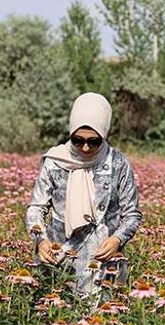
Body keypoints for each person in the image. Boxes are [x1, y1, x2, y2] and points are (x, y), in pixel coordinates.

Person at [25, 93, 142, 300]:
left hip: (105, 260)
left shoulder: (118, 163)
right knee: (55, 319)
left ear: (104, 135)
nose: (85, 148)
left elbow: (132, 214)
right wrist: (40, 240)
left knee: (105, 321)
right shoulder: (54, 161)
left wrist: (117, 239)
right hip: (59, 256)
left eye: (94, 141)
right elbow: (36, 207)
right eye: (78, 140)